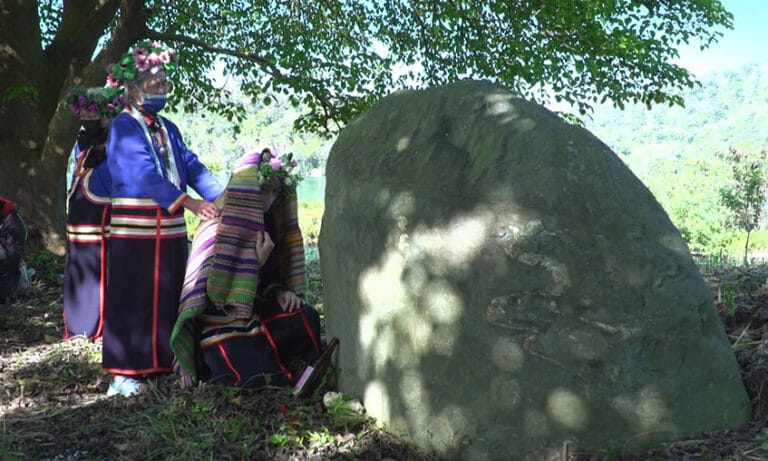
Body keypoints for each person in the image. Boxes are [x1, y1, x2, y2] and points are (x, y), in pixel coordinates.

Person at [103, 40, 224, 396]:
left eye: (165, 84)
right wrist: (190, 203)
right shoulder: (123, 127)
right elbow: (141, 174)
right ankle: (125, 373)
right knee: (133, 299)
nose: (162, 89)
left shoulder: (169, 127)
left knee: (168, 296)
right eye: (155, 84)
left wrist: (223, 197)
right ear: (133, 88)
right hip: (134, 233)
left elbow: (190, 165)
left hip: (170, 233)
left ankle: (165, 361)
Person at [170, 149, 331, 391]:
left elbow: (271, 279)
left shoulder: (268, 224)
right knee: (253, 371)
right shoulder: (214, 228)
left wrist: (279, 292)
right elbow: (213, 297)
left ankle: (303, 368)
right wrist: (255, 262)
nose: (270, 199)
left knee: (305, 315)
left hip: (256, 313)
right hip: (219, 323)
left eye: (275, 192)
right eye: (264, 190)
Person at [63, 86, 123, 340]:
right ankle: (78, 327)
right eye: (84, 115)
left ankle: (99, 326)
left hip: (102, 230)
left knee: (100, 275)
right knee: (79, 275)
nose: (87, 119)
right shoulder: (84, 146)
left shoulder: (116, 148)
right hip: (78, 231)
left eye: (93, 114)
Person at [0, 197, 29, 305]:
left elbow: (14, 255)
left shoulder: (12, 223)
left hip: (9, 258)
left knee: (14, 263)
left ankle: (20, 290)